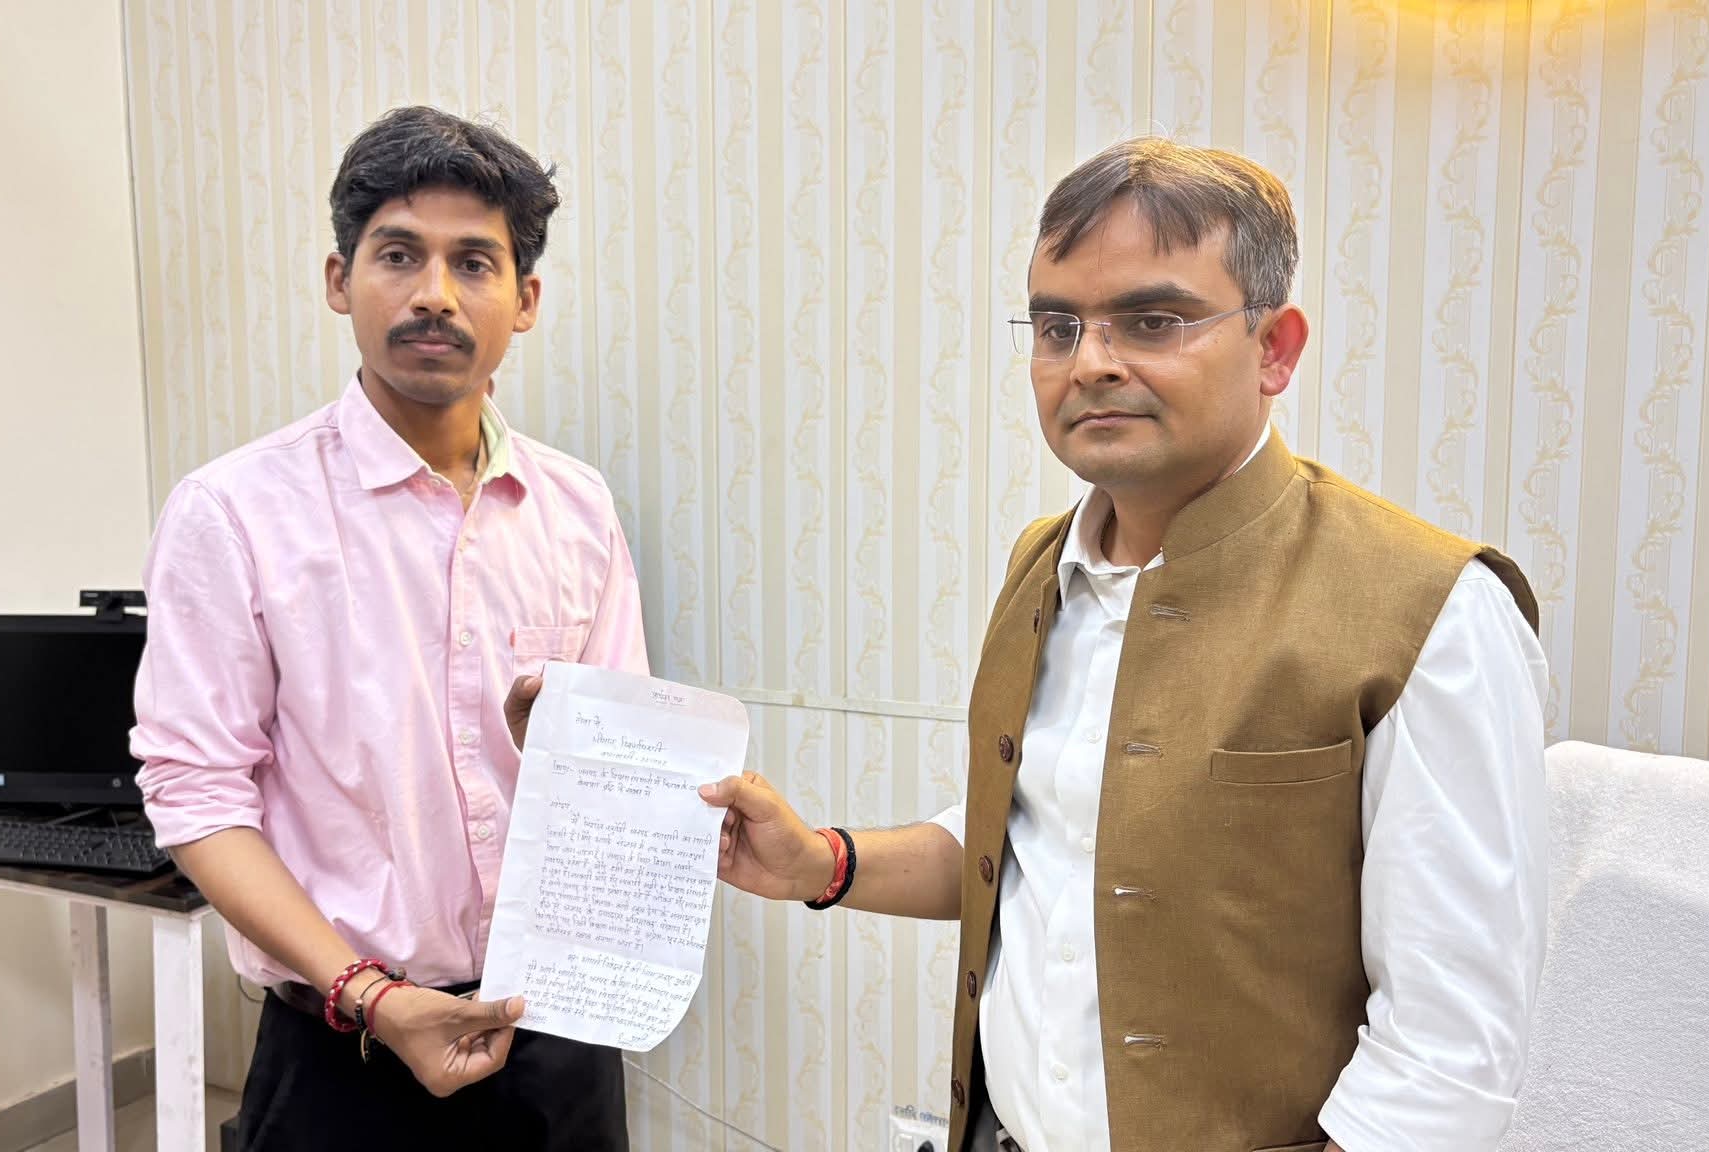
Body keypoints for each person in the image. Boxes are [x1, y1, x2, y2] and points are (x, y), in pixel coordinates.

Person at [643, 137, 1550, 1152]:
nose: (1090, 363)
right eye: (1057, 326)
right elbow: (1032, 841)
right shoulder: (1042, 565)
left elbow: (1447, 1054)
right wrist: (822, 862)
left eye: (1152, 321)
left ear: (1274, 348)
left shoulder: (1430, 610)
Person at [131, 105, 646, 1151]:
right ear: (340, 280)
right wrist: (369, 995)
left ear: (525, 299)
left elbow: (620, 770)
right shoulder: (233, 513)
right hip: (343, 1042)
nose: (434, 294)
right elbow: (195, 795)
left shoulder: (578, 508)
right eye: (399, 255)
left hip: (553, 1036)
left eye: (474, 263)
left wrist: (582, 749)